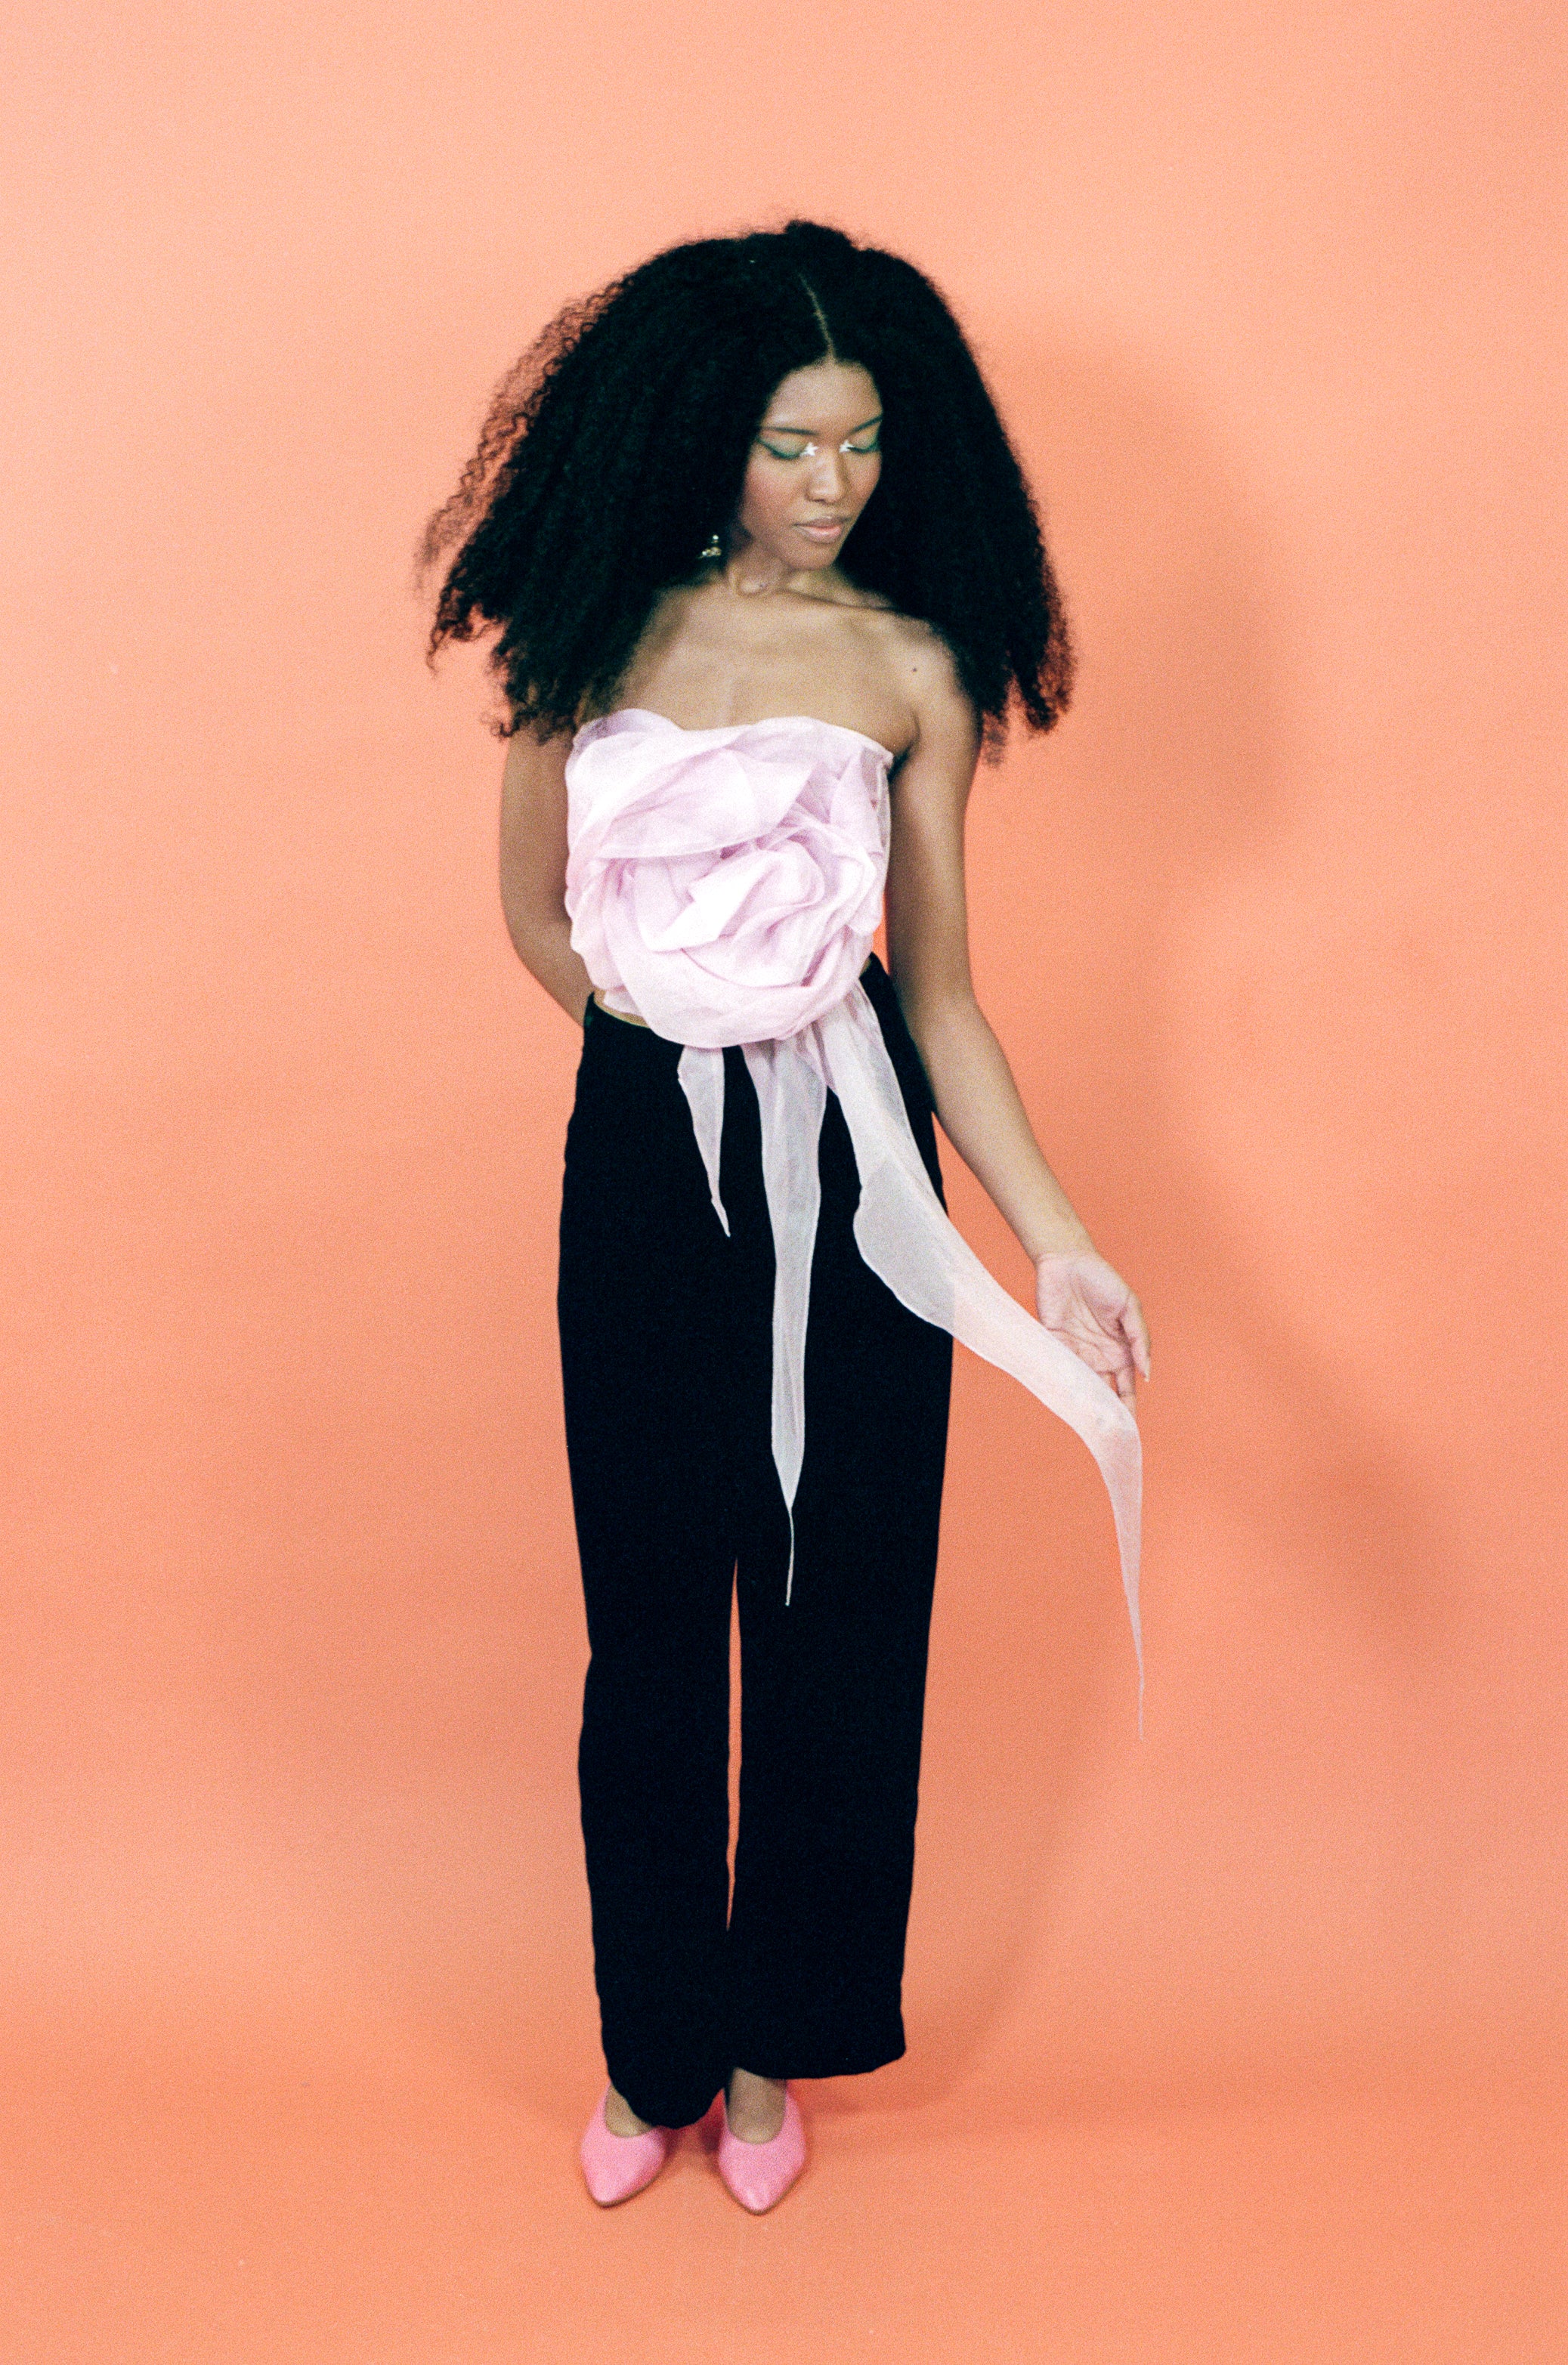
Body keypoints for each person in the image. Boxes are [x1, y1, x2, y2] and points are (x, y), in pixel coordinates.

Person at [421, 219, 1151, 2213]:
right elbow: (536, 918)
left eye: (866, 443)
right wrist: (681, 1043)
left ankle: (766, 2052)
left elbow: (943, 995)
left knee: (842, 1604)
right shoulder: (589, 637)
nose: (835, 486)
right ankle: (649, 2044)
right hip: (646, 1147)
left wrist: (1058, 1241)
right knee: (651, 1614)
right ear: (701, 439)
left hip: (862, 1157)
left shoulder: (912, 669)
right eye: (792, 445)